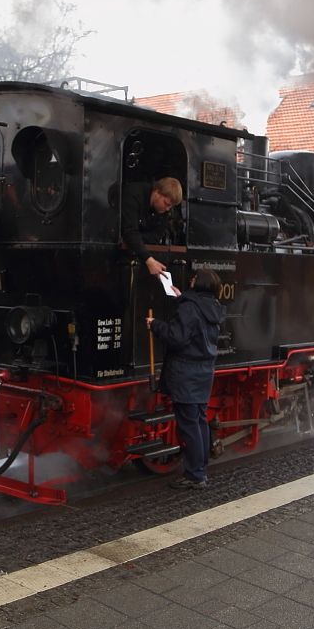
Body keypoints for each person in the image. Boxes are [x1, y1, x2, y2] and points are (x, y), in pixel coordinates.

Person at [147, 269, 226, 489]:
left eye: (192, 280)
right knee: (198, 422)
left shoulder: (189, 308)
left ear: (198, 284)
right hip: (203, 371)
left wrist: (155, 325)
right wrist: (181, 297)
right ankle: (199, 470)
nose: (190, 282)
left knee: (189, 427)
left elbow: (176, 337)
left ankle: (195, 475)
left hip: (186, 372)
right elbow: (195, 315)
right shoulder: (212, 307)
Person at [122, 177, 183, 277]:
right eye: (166, 203)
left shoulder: (164, 209)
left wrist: (136, 237)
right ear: (156, 193)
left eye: (170, 206)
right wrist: (148, 260)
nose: (167, 209)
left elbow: (156, 237)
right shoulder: (133, 194)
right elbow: (129, 231)